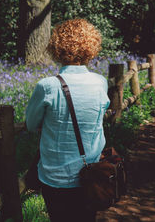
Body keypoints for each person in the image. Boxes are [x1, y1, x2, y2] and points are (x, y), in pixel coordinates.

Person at [25, 18, 110, 222]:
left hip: (56, 176)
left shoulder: (48, 86)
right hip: (91, 173)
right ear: (91, 47)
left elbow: (30, 125)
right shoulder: (100, 82)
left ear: (57, 48)